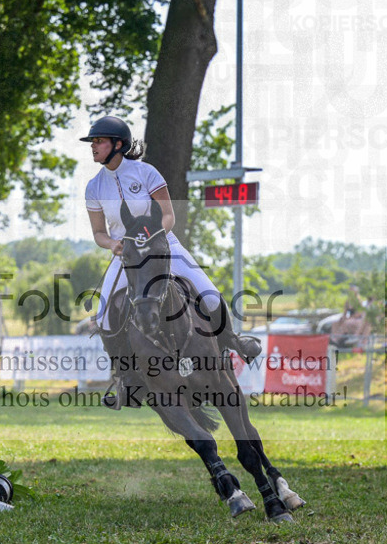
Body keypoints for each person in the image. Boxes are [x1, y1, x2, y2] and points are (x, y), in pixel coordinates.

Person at [80, 115, 261, 409]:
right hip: (127, 254)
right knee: (101, 315)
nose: (94, 146)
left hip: (164, 245)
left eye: (99, 141)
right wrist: (114, 244)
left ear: (118, 144)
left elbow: (169, 217)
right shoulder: (94, 187)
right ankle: (125, 378)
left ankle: (235, 341)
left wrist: (152, 237)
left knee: (211, 295)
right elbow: (99, 233)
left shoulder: (146, 172)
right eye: (93, 142)